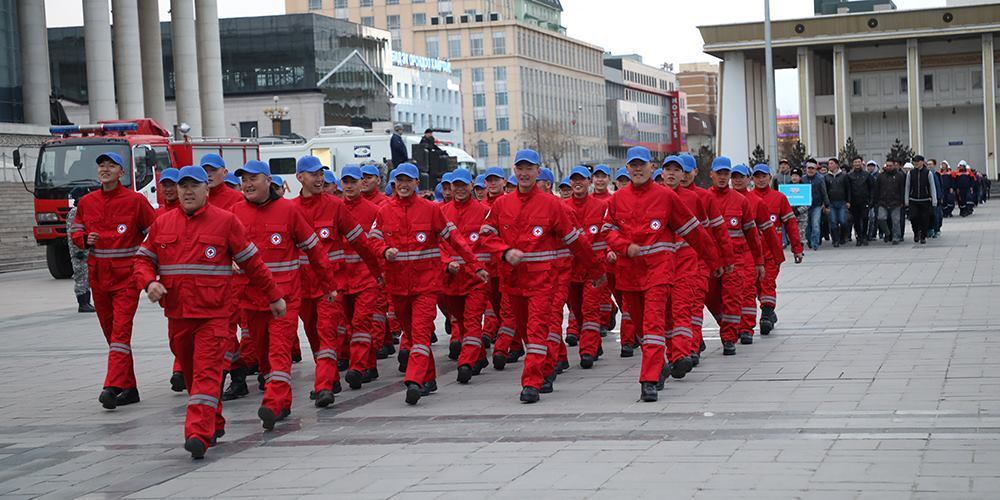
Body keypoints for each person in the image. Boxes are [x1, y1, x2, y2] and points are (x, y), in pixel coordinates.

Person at [134, 165, 283, 459]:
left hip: (215, 317)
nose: (187, 192)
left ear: (207, 190)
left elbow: (253, 264)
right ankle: (213, 421)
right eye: (182, 186)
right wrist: (149, 282)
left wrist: (274, 296)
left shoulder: (226, 222)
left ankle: (197, 434)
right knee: (192, 377)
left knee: (206, 375)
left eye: (193, 186)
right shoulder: (162, 224)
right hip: (178, 317)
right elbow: (142, 261)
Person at [478, 149, 601, 403]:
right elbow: (486, 237)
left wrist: (595, 269)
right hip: (513, 282)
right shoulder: (501, 205)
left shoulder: (552, 205)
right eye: (520, 169)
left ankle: (530, 383)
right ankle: (544, 370)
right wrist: (504, 252)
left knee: (536, 332)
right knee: (525, 332)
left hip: (542, 283)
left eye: (529, 169)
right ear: (514, 171)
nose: (524, 173)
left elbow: (575, 241)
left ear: (538, 171)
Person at [604, 147, 722, 401]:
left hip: (659, 273)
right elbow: (608, 231)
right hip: (629, 275)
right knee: (640, 329)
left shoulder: (666, 198)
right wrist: (624, 247)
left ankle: (650, 379)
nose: (637, 169)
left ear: (650, 168)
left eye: (642, 165)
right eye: (632, 165)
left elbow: (694, 232)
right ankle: (663, 364)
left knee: (653, 324)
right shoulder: (616, 200)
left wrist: (714, 261)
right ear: (626, 170)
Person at [231, 160, 336, 430]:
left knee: (279, 353)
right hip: (251, 300)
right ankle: (282, 398)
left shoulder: (288, 211)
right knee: (264, 355)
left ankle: (273, 403)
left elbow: (315, 250)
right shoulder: (234, 214)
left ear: (269, 181)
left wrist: (328, 285)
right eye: (244, 180)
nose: (248, 184)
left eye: (253, 178)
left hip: (285, 298)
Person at [369, 163, 486, 405]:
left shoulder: (431, 210)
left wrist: (475, 266)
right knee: (411, 333)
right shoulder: (383, 212)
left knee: (420, 334)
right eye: (399, 180)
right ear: (393, 184)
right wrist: (384, 251)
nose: (403, 184)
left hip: (426, 286)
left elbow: (455, 240)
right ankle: (429, 377)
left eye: (408, 180)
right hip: (398, 286)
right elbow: (373, 242)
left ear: (416, 184)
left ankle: (415, 381)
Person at [69, 151, 156, 410]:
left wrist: (149, 265)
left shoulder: (135, 201)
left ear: (122, 173)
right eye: (101, 165)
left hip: (127, 278)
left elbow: (155, 232)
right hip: (99, 278)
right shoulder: (87, 202)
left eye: (111, 166)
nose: (105, 169)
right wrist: (84, 239)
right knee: (112, 335)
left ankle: (112, 386)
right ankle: (129, 388)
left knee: (120, 332)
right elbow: (77, 229)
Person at [293, 156, 381, 407]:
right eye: (313, 174)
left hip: (331, 287)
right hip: (302, 287)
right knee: (314, 337)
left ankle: (323, 387)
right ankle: (330, 379)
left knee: (328, 335)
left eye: (321, 174)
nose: (319, 179)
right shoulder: (290, 209)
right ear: (300, 177)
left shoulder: (335, 207)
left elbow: (361, 243)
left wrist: (377, 271)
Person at [661, 156, 727, 378]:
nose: (678, 174)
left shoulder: (697, 198)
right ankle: (676, 352)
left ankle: (687, 350)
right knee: (664, 316)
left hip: (690, 263)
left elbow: (706, 235)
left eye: (681, 170)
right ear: (660, 173)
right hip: (659, 267)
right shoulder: (655, 198)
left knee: (688, 308)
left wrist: (715, 261)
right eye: (668, 169)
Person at [705, 156, 764, 356]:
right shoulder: (703, 199)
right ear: (711, 174)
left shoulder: (741, 201)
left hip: (736, 260)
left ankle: (729, 338)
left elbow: (752, 234)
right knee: (710, 298)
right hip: (710, 261)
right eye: (718, 174)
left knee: (732, 298)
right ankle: (727, 326)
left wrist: (758, 261)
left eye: (725, 174)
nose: (722, 178)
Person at [439, 168, 493, 383]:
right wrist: (446, 263)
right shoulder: (441, 212)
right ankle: (478, 357)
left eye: (464, 185)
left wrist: (480, 267)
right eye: (456, 185)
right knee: (461, 323)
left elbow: (488, 243)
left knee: (471, 322)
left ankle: (466, 362)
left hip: (476, 279)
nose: (460, 189)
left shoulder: (483, 212)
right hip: (451, 280)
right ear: (450, 188)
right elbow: (437, 244)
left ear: (471, 186)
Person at [749, 164, 804, 335]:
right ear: (752, 179)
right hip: (751, 253)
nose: (760, 179)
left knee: (767, 283)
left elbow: (791, 224)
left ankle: (766, 314)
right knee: (755, 285)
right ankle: (770, 312)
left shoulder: (779, 198)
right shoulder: (746, 199)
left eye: (763, 176)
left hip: (772, 252)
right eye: (757, 176)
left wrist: (797, 248)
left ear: (770, 177)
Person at [563, 166, 608, 369]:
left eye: (582, 179)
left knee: (590, 308)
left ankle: (587, 349)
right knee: (577, 310)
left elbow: (599, 237)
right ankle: (593, 342)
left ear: (589, 182)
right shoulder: (563, 207)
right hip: (571, 269)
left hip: (593, 268)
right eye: (574, 180)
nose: (577, 183)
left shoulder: (599, 207)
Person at [68, 186, 98, 313]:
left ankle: (87, 302)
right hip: (79, 251)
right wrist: (78, 250)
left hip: (85, 249)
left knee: (87, 276)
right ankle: (83, 303)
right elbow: (73, 233)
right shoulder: (75, 212)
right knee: (81, 276)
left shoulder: (83, 210)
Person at [905, 155, 937, 244]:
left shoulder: (928, 173)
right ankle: (916, 233)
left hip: (925, 200)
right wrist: (906, 200)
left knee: (925, 219)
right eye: (914, 161)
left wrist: (934, 200)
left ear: (922, 162)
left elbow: (932, 187)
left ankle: (923, 236)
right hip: (913, 200)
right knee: (913, 217)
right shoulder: (910, 173)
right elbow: (907, 187)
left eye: (918, 161)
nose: (916, 163)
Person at [874, 160, 906, 244]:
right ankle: (887, 233)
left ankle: (896, 237)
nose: (888, 167)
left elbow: (902, 189)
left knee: (895, 221)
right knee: (881, 218)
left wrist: (902, 201)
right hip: (882, 202)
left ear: (894, 166)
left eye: (890, 166)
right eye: (887, 165)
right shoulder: (881, 176)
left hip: (896, 202)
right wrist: (876, 201)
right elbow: (877, 189)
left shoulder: (899, 176)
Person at [846, 157, 874, 246]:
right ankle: (858, 237)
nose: (857, 164)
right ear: (853, 164)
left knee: (865, 219)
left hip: (865, 201)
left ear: (861, 163)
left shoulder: (867, 175)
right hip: (854, 202)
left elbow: (872, 188)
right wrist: (848, 201)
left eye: (859, 162)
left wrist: (871, 200)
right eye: (855, 162)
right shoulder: (849, 175)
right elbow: (848, 189)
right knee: (856, 221)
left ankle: (864, 236)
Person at [803, 159, 829, 250]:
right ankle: (809, 240)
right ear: (806, 169)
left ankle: (815, 243)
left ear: (815, 169)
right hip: (805, 206)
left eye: (812, 168)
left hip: (817, 205)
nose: (810, 170)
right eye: (808, 168)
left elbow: (824, 192)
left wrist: (826, 205)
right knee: (807, 225)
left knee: (816, 224)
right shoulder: (802, 179)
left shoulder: (820, 178)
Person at [825, 158, 850, 247]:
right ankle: (835, 240)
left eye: (831, 163)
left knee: (843, 221)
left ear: (836, 164)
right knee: (833, 221)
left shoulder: (844, 176)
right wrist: (825, 204)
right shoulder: (826, 177)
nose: (830, 165)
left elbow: (848, 189)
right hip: (831, 203)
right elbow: (825, 191)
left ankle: (843, 236)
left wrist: (848, 201)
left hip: (842, 202)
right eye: (829, 164)